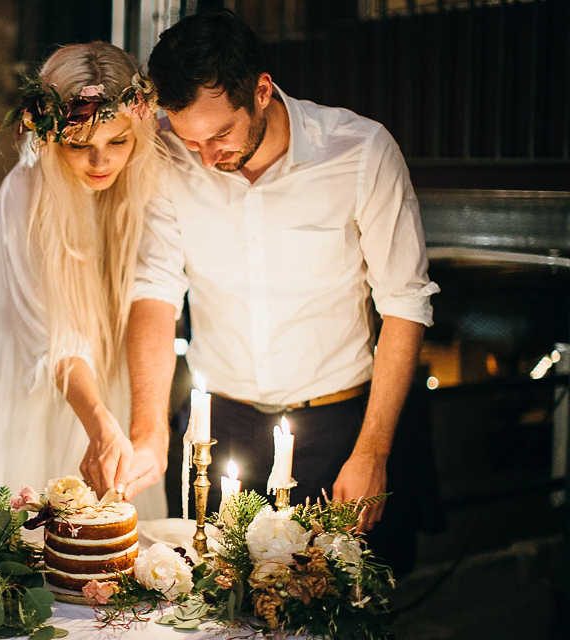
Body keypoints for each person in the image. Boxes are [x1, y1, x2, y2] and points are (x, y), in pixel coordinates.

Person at [120, 9, 439, 531]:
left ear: (262, 91)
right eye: (190, 140)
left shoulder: (360, 153)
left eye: (220, 135)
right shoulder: (169, 154)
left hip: (336, 427)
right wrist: (148, 428)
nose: (204, 158)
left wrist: (373, 452)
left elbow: (404, 304)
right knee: (207, 604)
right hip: (217, 426)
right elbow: (154, 291)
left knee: (328, 601)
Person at [0, 41, 168, 520]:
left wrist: (122, 424)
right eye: (80, 147)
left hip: (114, 388)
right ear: (52, 138)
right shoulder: (24, 192)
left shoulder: (149, 179)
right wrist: (99, 423)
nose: (102, 163)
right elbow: (50, 339)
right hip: (43, 393)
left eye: (118, 142)